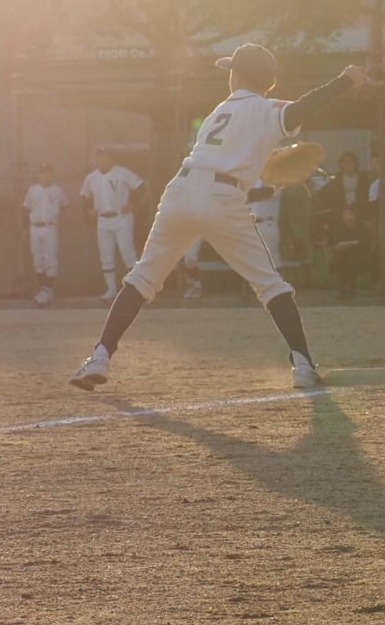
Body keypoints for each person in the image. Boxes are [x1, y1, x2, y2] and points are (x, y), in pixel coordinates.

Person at [69, 43, 369, 390]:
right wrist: (346, 80)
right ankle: (302, 365)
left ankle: (100, 357)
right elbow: (301, 108)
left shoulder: (219, 111)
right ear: (269, 82)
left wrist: (263, 166)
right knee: (270, 285)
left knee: (142, 278)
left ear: (237, 77)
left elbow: (238, 147)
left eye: (232, 71)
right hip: (223, 198)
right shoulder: (267, 108)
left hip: (181, 190)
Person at [79, 146, 144, 301]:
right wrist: (88, 209)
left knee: (128, 254)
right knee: (106, 255)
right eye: (100, 156)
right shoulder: (91, 178)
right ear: (96, 159)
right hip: (102, 219)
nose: (103, 159)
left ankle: (137, 289)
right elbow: (84, 196)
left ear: (111, 157)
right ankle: (111, 289)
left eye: (106, 156)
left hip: (121, 217)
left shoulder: (122, 172)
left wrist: (132, 203)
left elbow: (140, 186)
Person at [23, 163, 69, 305]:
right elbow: (26, 209)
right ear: (38, 175)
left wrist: (57, 217)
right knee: (38, 260)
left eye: (48, 172)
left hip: (49, 227)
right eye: (42, 173)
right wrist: (24, 228)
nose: (45, 175)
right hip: (35, 227)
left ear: (52, 174)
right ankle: (44, 290)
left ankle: (47, 291)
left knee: (50, 259)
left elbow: (66, 205)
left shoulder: (57, 190)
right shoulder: (32, 190)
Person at [330, 205, 370, 298]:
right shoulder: (341, 227)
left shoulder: (362, 226)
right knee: (341, 258)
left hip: (360, 253)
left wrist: (348, 244)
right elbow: (336, 242)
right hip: (344, 254)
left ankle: (351, 286)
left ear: (355, 216)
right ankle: (342, 287)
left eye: (350, 214)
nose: (348, 217)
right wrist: (338, 247)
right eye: (345, 214)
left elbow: (363, 242)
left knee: (351, 257)